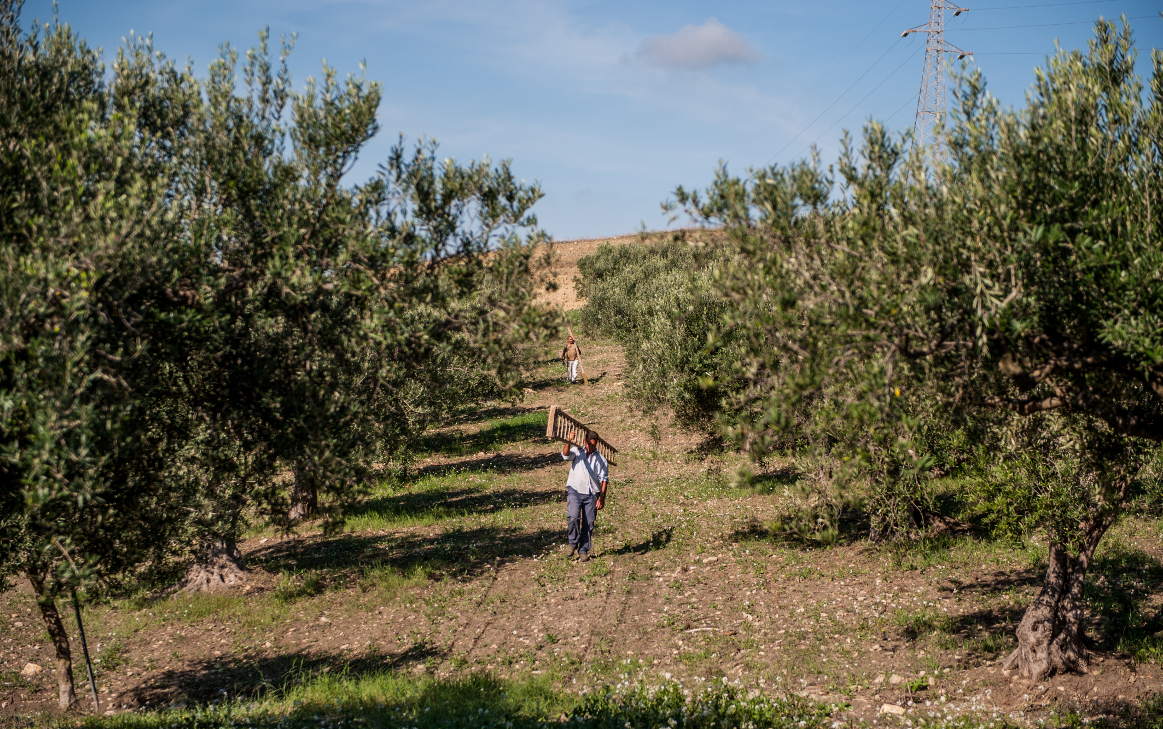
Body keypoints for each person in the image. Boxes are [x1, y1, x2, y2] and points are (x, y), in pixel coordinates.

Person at [560, 431, 608, 562]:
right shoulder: (577, 451)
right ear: (585, 441)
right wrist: (568, 441)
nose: (591, 448)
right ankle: (572, 543)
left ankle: (583, 550)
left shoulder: (601, 459)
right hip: (575, 490)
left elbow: (604, 480)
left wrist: (601, 498)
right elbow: (565, 455)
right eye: (589, 444)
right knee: (573, 516)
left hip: (592, 494)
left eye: (594, 445)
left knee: (589, 523)